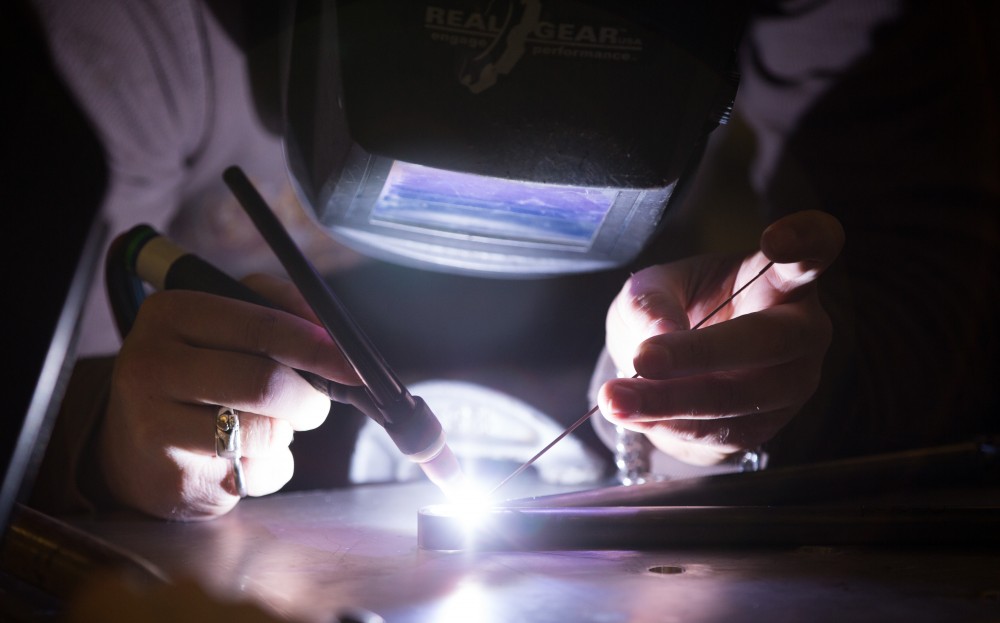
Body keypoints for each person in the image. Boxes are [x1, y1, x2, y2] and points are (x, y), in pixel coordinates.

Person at [22, 0, 998, 522]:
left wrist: (763, 389)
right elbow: (44, 417)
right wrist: (103, 437)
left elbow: (942, 267)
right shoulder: (124, 30)